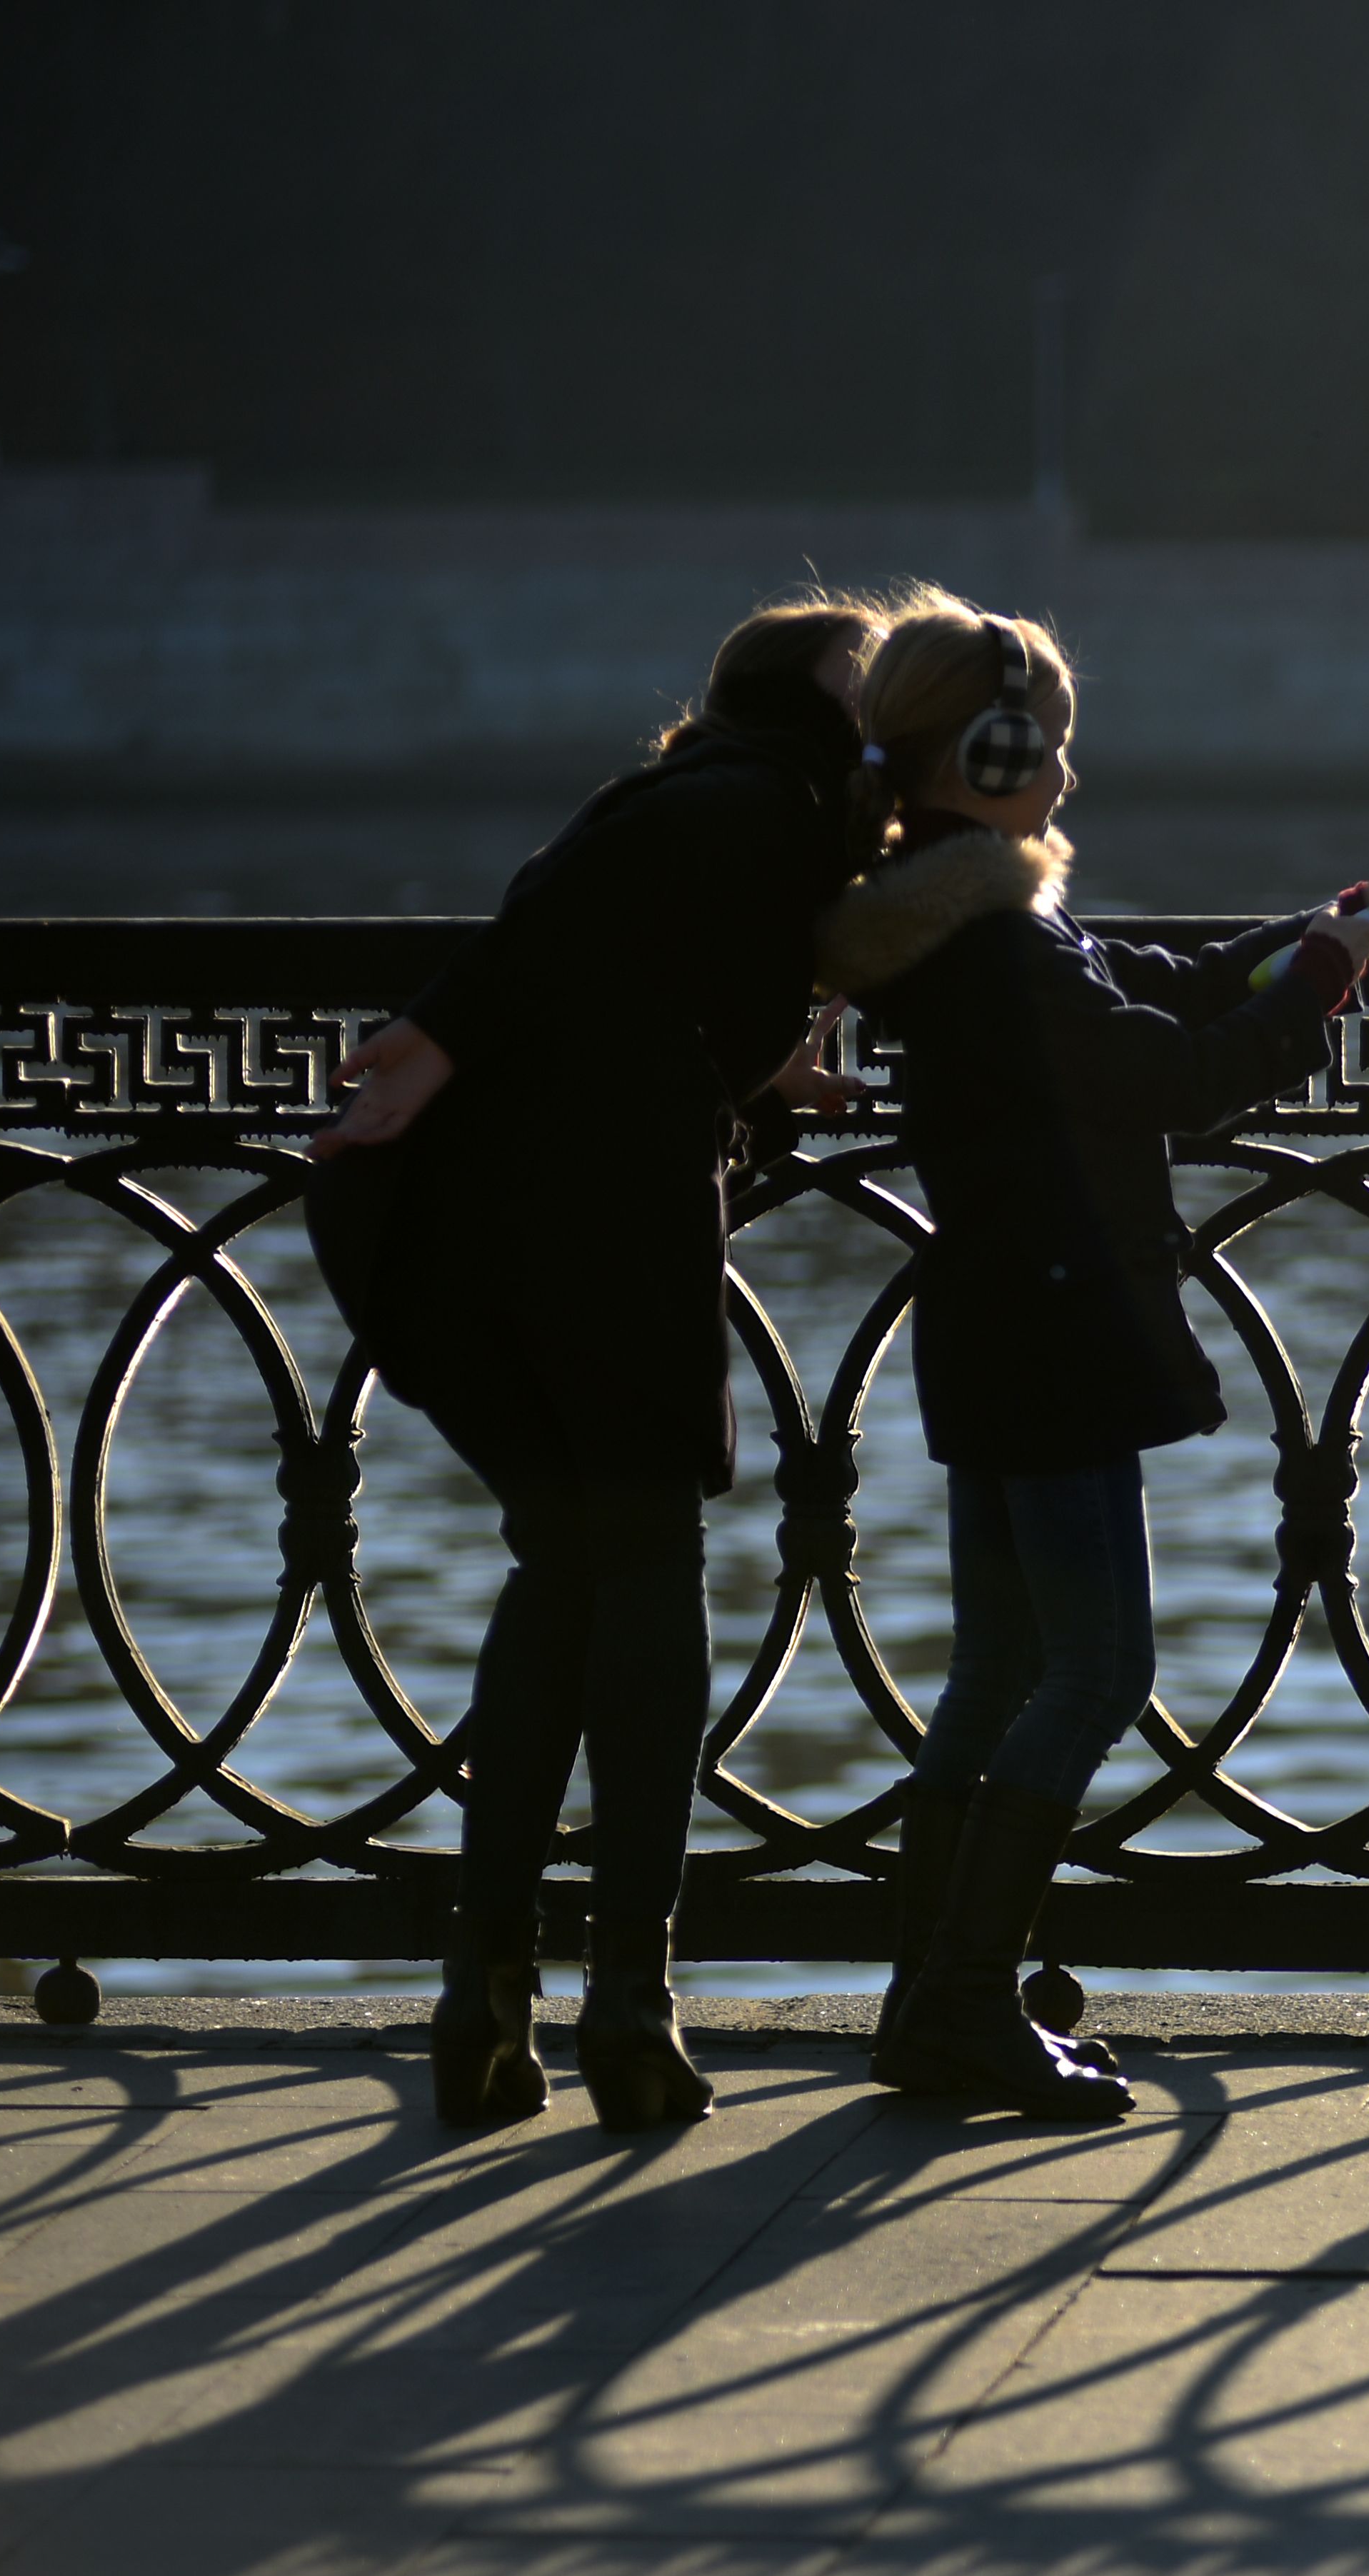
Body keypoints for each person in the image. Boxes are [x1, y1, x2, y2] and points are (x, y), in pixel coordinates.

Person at [811, 601, 1369, 2115]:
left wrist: (1349, 919)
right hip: (1052, 1333)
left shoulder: (958, 919)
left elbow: (1154, 986)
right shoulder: (991, 943)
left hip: (995, 1326)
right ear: (991, 753)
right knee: (1096, 1669)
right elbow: (1182, 1072)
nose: (1062, 763)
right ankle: (966, 2006)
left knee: (995, 1673)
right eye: (1043, 736)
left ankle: (928, 2004)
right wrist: (1317, 973)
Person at [307, 594, 886, 2132]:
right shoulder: (757, 800)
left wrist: (753, 1079)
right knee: (648, 1597)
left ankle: (483, 1999)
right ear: (808, 699)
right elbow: (571, 955)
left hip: (480, 1243)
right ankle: (630, 2005)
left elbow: (622, 990)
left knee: (560, 1577)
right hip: (595, 1248)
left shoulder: (690, 798)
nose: (878, 713)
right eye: (862, 682)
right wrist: (438, 1027)